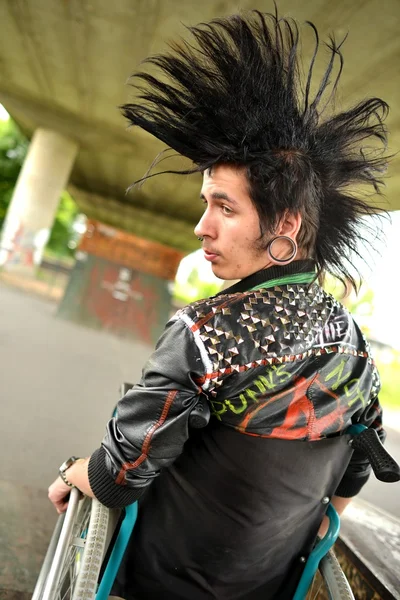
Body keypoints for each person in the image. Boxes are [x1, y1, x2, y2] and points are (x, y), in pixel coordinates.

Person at [48, 9, 389, 600]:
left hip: (154, 580)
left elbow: (123, 472)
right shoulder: (351, 344)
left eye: (224, 208)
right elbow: (359, 465)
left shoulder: (205, 333)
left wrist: (71, 473)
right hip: (267, 586)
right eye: (206, 204)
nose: (201, 226)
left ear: (285, 224)